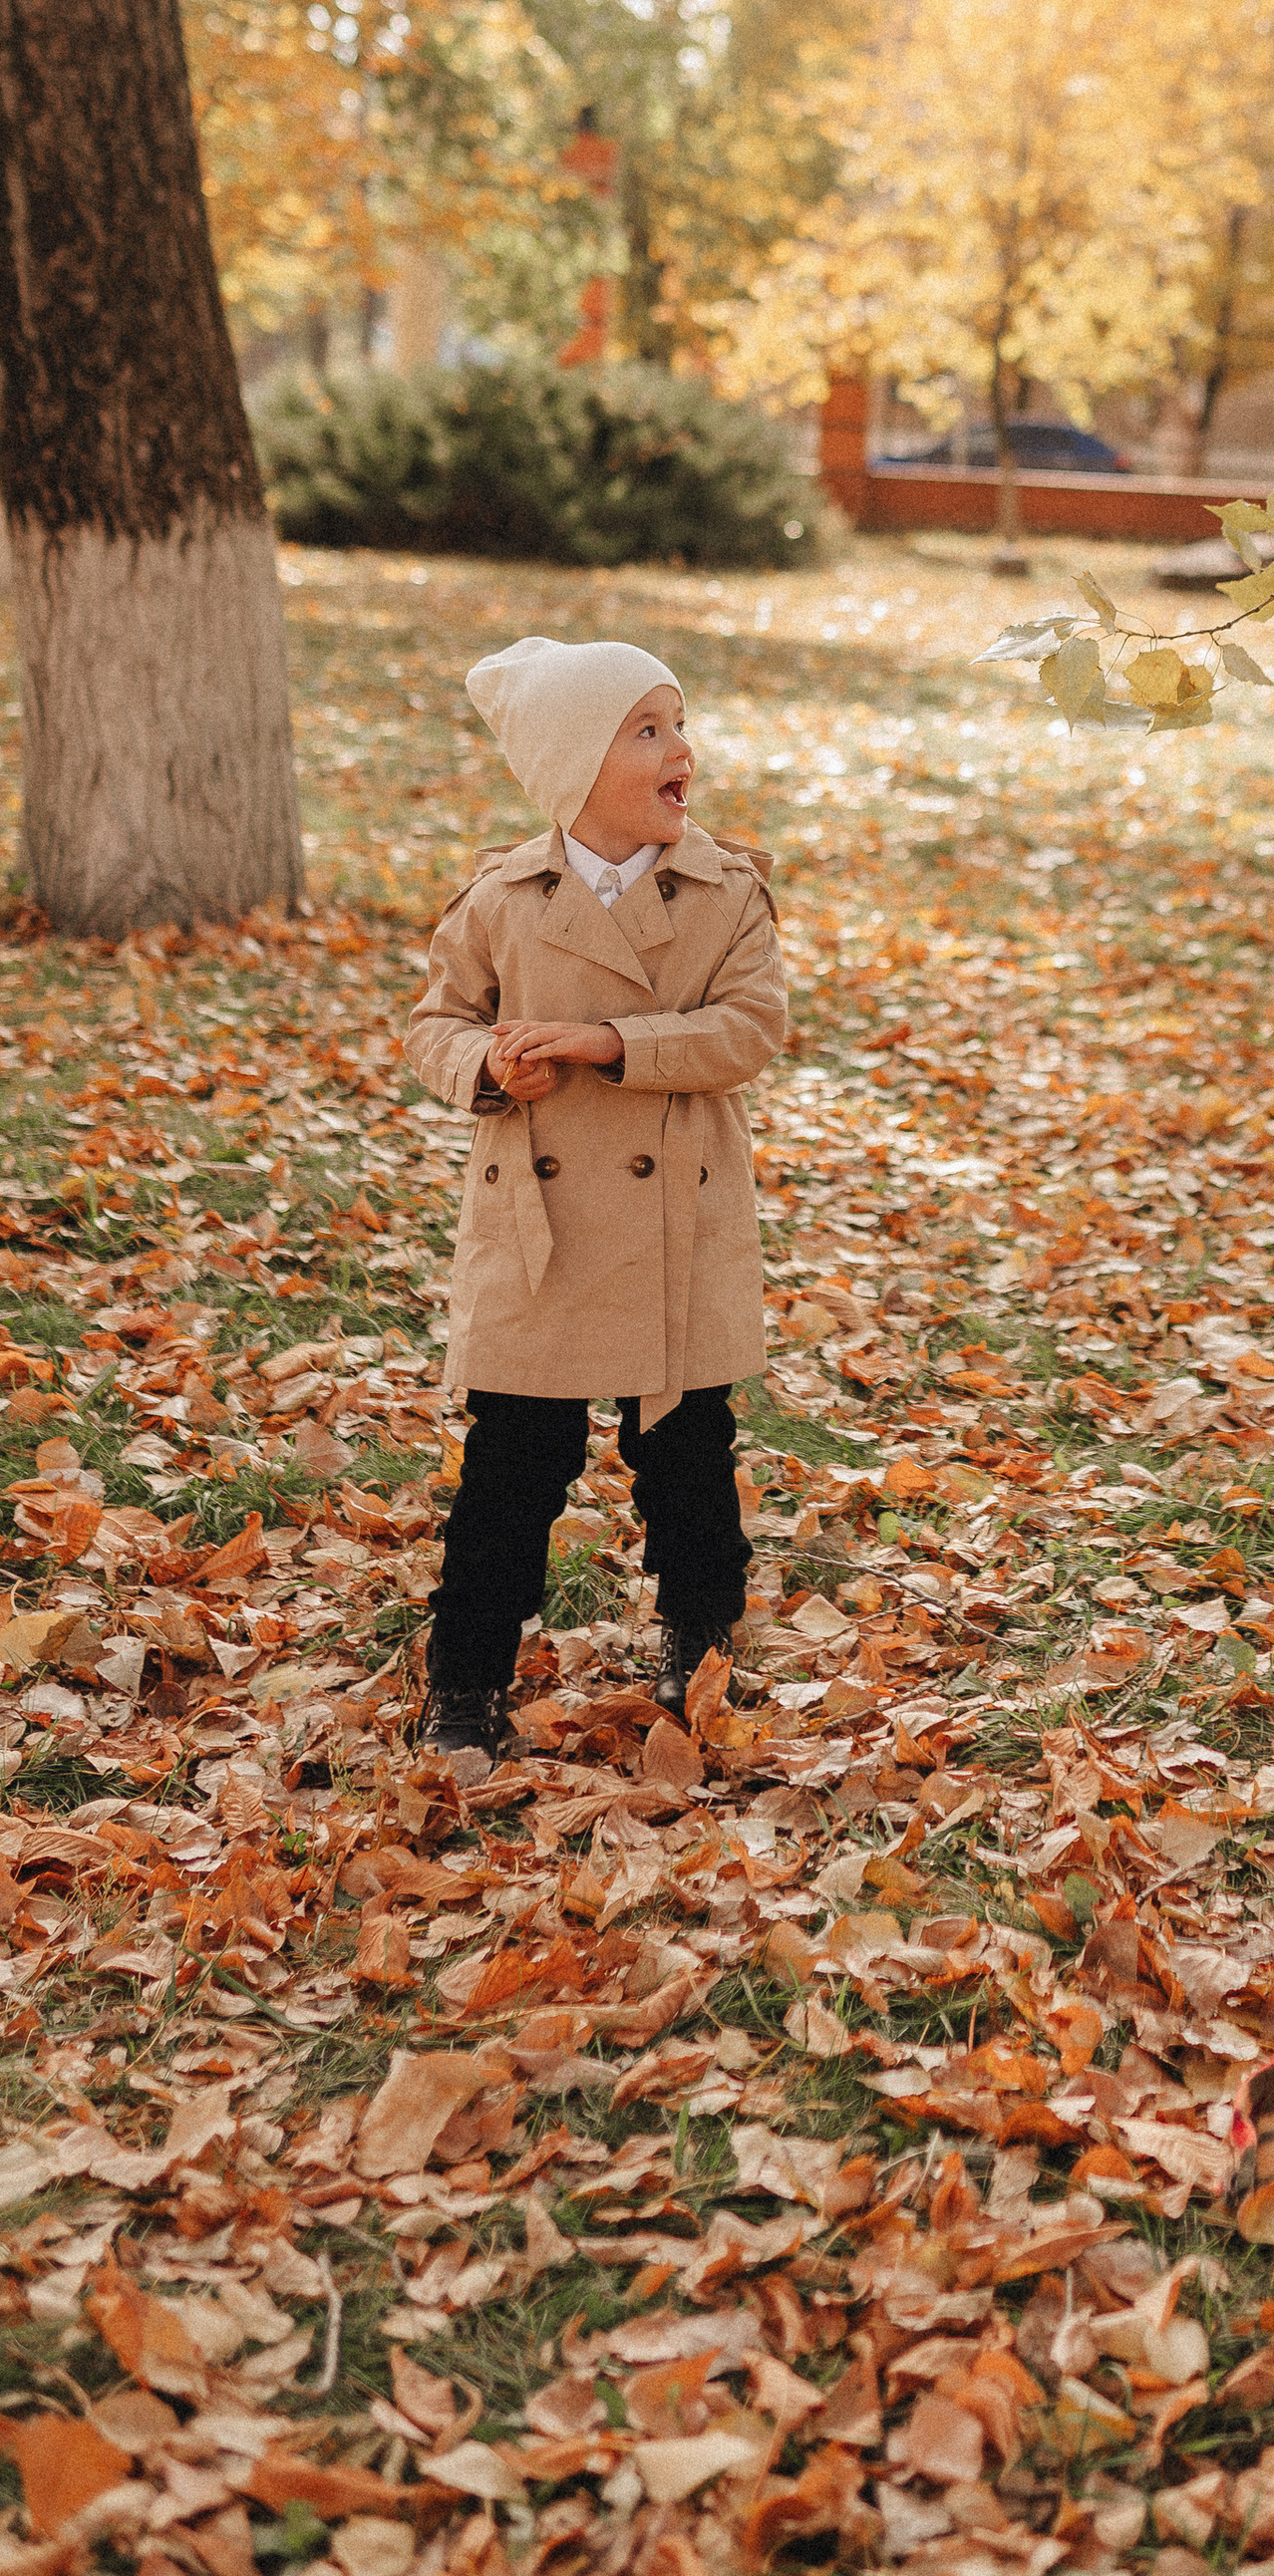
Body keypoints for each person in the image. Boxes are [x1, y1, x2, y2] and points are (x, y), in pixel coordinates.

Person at [406, 636, 787, 1760]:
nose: (685, 751)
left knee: (687, 1457)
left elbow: (751, 1027)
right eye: (651, 730)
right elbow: (435, 1022)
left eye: (680, 723)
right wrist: (487, 1067)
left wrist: (613, 1041)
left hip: (679, 1220)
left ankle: (699, 1638)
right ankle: (465, 1678)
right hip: (540, 1226)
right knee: (512, 1465)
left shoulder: (724, 891)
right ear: (575, 768)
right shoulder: (503, 896)